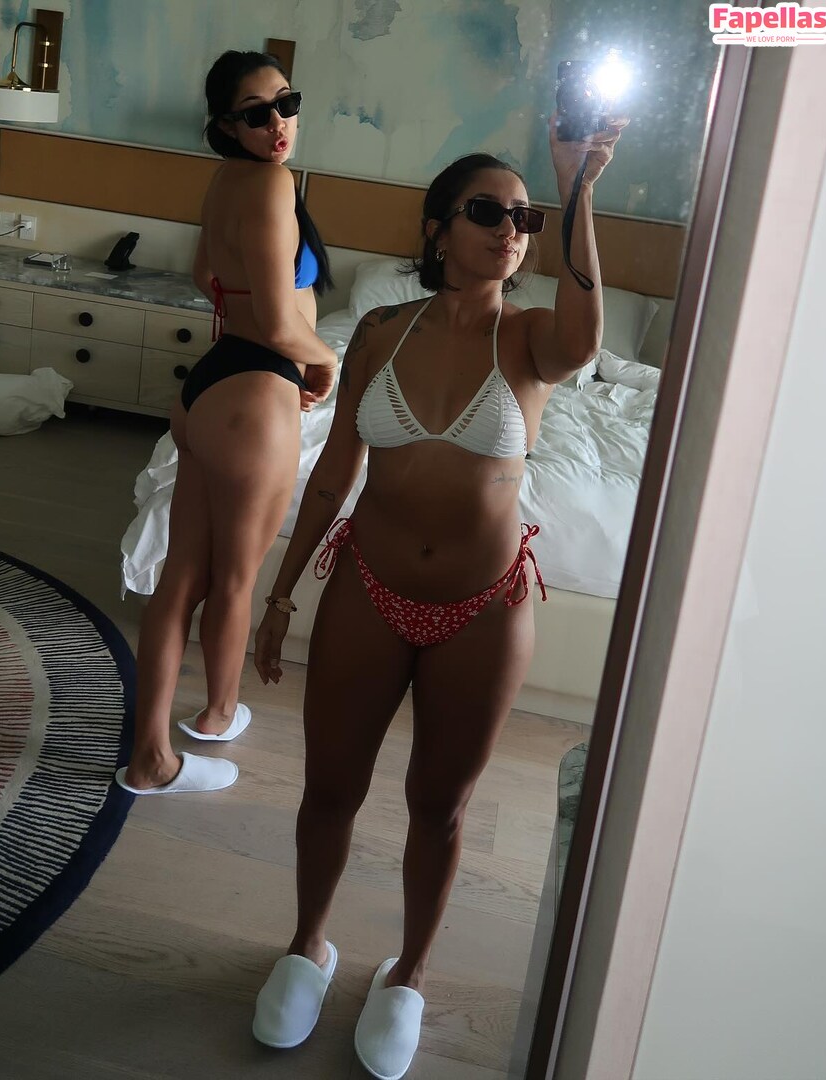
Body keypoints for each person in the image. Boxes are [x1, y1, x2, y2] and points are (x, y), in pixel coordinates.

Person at [250, 115, 626, 1078]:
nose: (510, 231)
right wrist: (279, 597)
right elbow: (332, 476)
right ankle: (306, 944)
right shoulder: (381, 332)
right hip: (367, 589)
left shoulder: (532, 339)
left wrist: (577, 188)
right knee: (329, 788)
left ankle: (408, 973)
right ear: (436, 228)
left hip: (482, 609)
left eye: (523, 218)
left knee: (440, 806)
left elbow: (587, 334)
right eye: (487, 212)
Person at [115, 50, 339, 796]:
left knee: (182, 576)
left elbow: (202, 273)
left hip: (211, 387)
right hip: (257, 391)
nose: (278, 124)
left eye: (286, 104)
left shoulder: (227, 180)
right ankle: (214, 715)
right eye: (255, 113)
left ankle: (153, 751)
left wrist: (265, 326)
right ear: (225, 124)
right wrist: (325, 359)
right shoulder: (272, 183)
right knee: (236, 579)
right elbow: (278, 321)